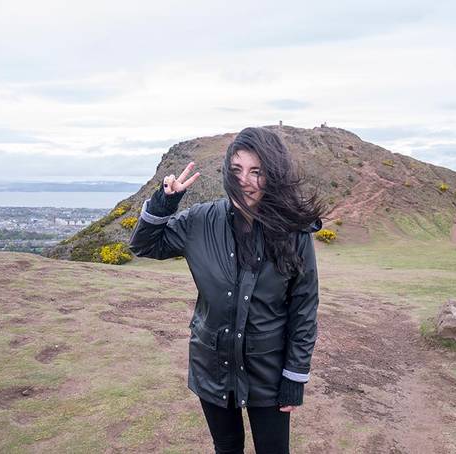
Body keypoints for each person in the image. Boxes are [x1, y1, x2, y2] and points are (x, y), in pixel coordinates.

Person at [129, 127, 325, 454]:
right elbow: (145, 245)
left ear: (272, 175)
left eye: (255, 172)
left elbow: (304, 308)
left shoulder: (293, 232)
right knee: (227, 448)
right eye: (236, 170)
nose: (244, 180)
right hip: (213, 364)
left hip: (269, 370)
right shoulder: (200, 221)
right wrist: (166, 201)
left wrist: (295, 375)